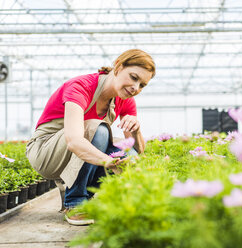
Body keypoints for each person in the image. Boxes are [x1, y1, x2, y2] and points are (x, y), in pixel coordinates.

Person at [26, 49, 155, 225]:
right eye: (133, 77)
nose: (136, 88)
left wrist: (136, 129)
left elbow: (136, 149)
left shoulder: (125, 99)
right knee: (98, 129)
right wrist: (108, 161)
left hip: (76, 152)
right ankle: (75, 202)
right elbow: (74, 141)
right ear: (118, 66)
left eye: (142, 85)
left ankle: (89, 197)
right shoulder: (81, 87)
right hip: (45, 151)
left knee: (128, 156)